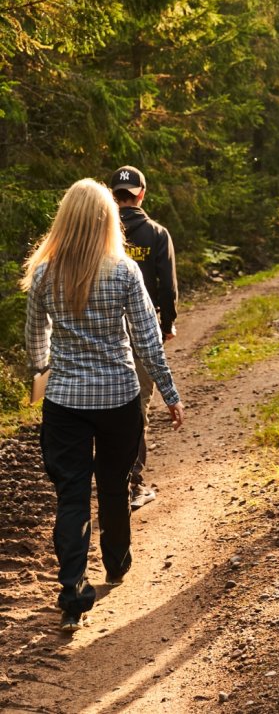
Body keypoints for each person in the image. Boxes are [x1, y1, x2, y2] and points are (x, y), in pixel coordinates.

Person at [22, 179, 184, 632]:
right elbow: (148, 343)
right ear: (109, 218)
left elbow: (36, 339)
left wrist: (42, 375)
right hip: (118, 397)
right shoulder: (123, 271)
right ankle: (116, 561)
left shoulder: (43, 273)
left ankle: (72, 589)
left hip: (65, 402)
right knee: (113, 483)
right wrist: (170, 394)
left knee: (70, 493)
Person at [111, 165, 178, 510]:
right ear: (142, 193)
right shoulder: (156, 233)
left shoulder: (100, 233)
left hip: (106, 325)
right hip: (143, 326)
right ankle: (133, 481)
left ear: (112, 195)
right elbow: (167, 286)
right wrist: (168, 323)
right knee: (137, 404)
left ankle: (111, 476)